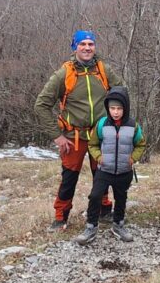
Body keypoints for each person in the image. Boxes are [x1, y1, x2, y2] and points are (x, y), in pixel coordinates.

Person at [35, 30, 124, 232]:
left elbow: (121, 92)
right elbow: (41, 105)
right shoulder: (64, 74)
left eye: (90, 44)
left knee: (102, 174)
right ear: (75, 47)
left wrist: (116, 121)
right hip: (73, 136)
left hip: (100, 134)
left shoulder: (103, 70)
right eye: (82, 44)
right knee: (69, 178)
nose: (87, 48)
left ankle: (104, 210)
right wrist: (57, 136)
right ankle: (61, 217)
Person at [72, 87, 146, 244]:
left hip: (124, 170)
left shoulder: (133, 126)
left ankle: (118, 225)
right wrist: (99, 157)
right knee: (95, 196)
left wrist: (133, 158)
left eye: (119, 108)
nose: (116, 112)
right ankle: (91, 227)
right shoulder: (101, 124)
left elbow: (140, 144)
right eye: (112, 108)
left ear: (125, 108)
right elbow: (92, 144)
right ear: (108, 108)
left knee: (121, 198)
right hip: (104, 170)